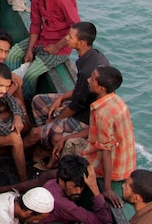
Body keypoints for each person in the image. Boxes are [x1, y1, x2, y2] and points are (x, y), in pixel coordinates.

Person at [55, 66, 136, 208]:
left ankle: (66, 191)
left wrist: (107, 188)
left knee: (60, 172)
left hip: (114, 165)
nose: (88, 80)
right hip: (125, 160)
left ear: (102, 89)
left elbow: (107, 152)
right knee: (70, 142)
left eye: (92, 79)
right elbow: (95, 131)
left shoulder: (103, 113)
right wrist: (65, 138)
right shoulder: (116, 101)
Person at [26, 22, 108, 153]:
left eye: (70, 37)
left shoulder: (88, 72)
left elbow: (76, 105)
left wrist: (54, 121)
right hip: (80, 102)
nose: (67, 39)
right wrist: (62, 97)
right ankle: (45, 140)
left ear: (81, 43)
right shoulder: (94, 56)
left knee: (35, 132)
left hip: (85, 116)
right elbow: (80, 91)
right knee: (38, 101)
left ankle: (39, 138)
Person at [4, 0, 81, 99]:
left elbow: (76, 27)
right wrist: (29, 50)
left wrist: (57, 46)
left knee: (31, 74)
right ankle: (9, 88)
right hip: (42, 38)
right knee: (12, 55)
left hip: (60, 46)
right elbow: (35, 24)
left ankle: (24, 99)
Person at [40, 155, 112, 224]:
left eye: (81, 186)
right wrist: (95, 188)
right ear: (62, 181)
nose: (78, 191)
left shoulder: (51, 183)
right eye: (74, 186)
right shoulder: (64, 204)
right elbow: (105, 222)